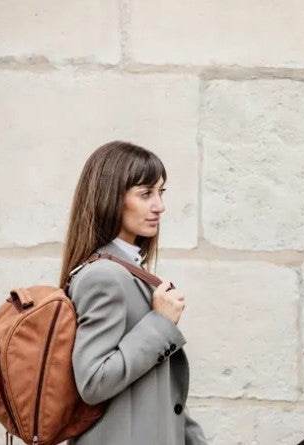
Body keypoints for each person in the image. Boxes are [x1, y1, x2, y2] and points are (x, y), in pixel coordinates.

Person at [59, 141, 208, 445]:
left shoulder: (127, 271)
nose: (159, 206)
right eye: (145, 194)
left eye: (160, 192)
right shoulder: (104, 276)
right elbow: (94, 381)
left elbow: (162, 391)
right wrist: (161, 324)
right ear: (111, 198)